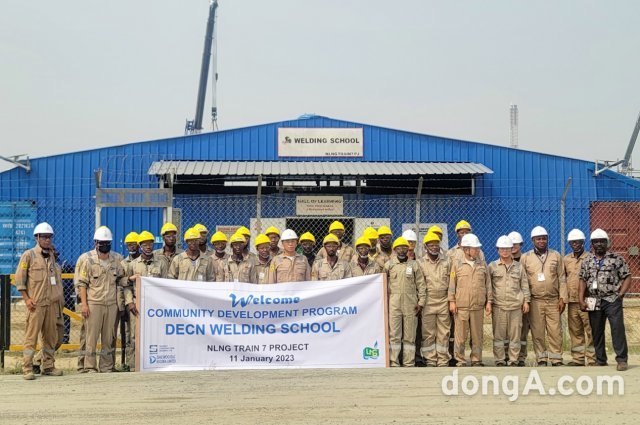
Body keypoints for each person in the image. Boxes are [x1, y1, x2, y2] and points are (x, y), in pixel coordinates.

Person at [15, 222, 64, 380]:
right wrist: (27, 299)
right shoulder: (28, 255)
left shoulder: (51, 257)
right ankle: (27, 368)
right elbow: (20, 280)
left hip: (51, 305)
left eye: (49, 237)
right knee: (31, 337)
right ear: (36, 238)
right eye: (44, 237)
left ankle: (48, 366)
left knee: (50, 337)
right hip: (35, 305)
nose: (47, 240)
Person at [75, 226, 127, 373]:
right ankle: (90, 367)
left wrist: (130, 279)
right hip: (94, 304)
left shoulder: (117, 260)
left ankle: (106, 366)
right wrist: (84, 305)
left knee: (109, 338)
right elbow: (82, 284)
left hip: (111, 304)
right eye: (101, 242)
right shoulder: (88, 261)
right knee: (91, 338)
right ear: (96, 243)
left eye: (107, 242)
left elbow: (121, 279)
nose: (105, 245)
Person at [579, 229, 631, 371]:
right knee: (596, 330)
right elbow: (582, 280)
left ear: (607, 243)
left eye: (602, 241)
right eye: (596, 242)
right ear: (592, 244)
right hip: (593, 300)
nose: (600, 244)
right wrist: (581, 299)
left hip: (612, 299)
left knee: (617, 328)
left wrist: (620, 294)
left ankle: (621, 360)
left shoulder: (617, 259)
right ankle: (601, 359)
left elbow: (627, 276)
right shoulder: (587, 261)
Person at [520, 226, 566, 366]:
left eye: (544, 238)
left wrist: (562, 298)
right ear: (533, 240)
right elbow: (522, 280)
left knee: (555, 330)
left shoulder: (556, 256)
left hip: (553, 300)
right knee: (537, 331)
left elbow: (562, 278)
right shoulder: (525, 257)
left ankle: (556, 358)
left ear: (547, 239)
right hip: (535, 301)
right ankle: (541, 358)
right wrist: (525, 301)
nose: (541, 241)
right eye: (538, 239)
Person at [124, 231, 168, 370]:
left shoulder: (161, 263)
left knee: (155, 334)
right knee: (134, 335)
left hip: (155, 305)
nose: (148, 246)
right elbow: (127, 285)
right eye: (144, 244)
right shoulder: (133, 264)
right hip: (137, 304)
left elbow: (166, 284)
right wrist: (130, 302)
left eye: (150, 243)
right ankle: (133, 365)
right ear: (140, 246)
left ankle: (154, 363)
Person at [448, 234, 492, 367]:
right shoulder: (457, 265)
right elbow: (452, 284)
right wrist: (452, 301)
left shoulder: (482, 264)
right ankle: (460, 360)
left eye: (478, 248)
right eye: (475, 248)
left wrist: (489, 301)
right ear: (466, 250)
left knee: (477, 335)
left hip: (477, 306)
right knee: (460, 336)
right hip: (461, 306)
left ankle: (476, 359)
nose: (478, 250)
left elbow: (488, 284)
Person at [384, 237, 426, 367]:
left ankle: (409, 362)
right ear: (395, 249)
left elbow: (421, 284)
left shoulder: (414, 265)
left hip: (411, 304)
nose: (402, 250)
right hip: (394, 304)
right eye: (399, 248)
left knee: (410, 335)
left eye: (404, 248)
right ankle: (394, 361)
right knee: (394, 335)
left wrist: (421, 302)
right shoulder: (389, 265)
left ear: (408, 250)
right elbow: (383, 284)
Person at [488, 236, 530, 366]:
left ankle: (513, 360)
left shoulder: (519, 267)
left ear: (512, 249)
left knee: (515, 336)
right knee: (499, 336)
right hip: (499, 306)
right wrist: (489, 302)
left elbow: (524, 285)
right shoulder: (492, 266)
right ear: (497, 250)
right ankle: (500, 359)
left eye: (507, 249)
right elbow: (488, 286)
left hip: (515, 306)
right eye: (502, 249)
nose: (505, 251)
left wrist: (526, 301)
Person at [418, 231, 451, 367]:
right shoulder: (420, 263)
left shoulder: (447, 262)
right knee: (428, 333)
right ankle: (430, 359)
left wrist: (451, 300)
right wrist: (420, 302)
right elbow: (419, 285)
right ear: (426, 247)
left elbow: (452, 283)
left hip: (443, 300)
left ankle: (443, 359)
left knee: (444, 332)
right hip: (428, 302)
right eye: (431, 245)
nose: (434, 247)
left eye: (436, 244)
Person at [564, 229, 596, 366]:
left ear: (583, 242)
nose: (575, 244)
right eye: (573, 242)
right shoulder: (566, 259)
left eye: (578, 242)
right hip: (572, 301)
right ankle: (578, 358)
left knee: (591, 329)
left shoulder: (590, 258)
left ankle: (593, 358)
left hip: (588, 300)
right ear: (570, 243)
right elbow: (563, 279)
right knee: (575, 330)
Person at [509, 230, 529, 365]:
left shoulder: (526, 260)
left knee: (522, 330)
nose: (514, 246)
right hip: (508, 301)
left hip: (523, 301)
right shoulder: (504, 259)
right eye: (512, 244)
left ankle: (521, 357)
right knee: (507, 331)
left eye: (517, 244)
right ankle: (507, 356)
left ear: (521, 244)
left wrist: (526, 300)